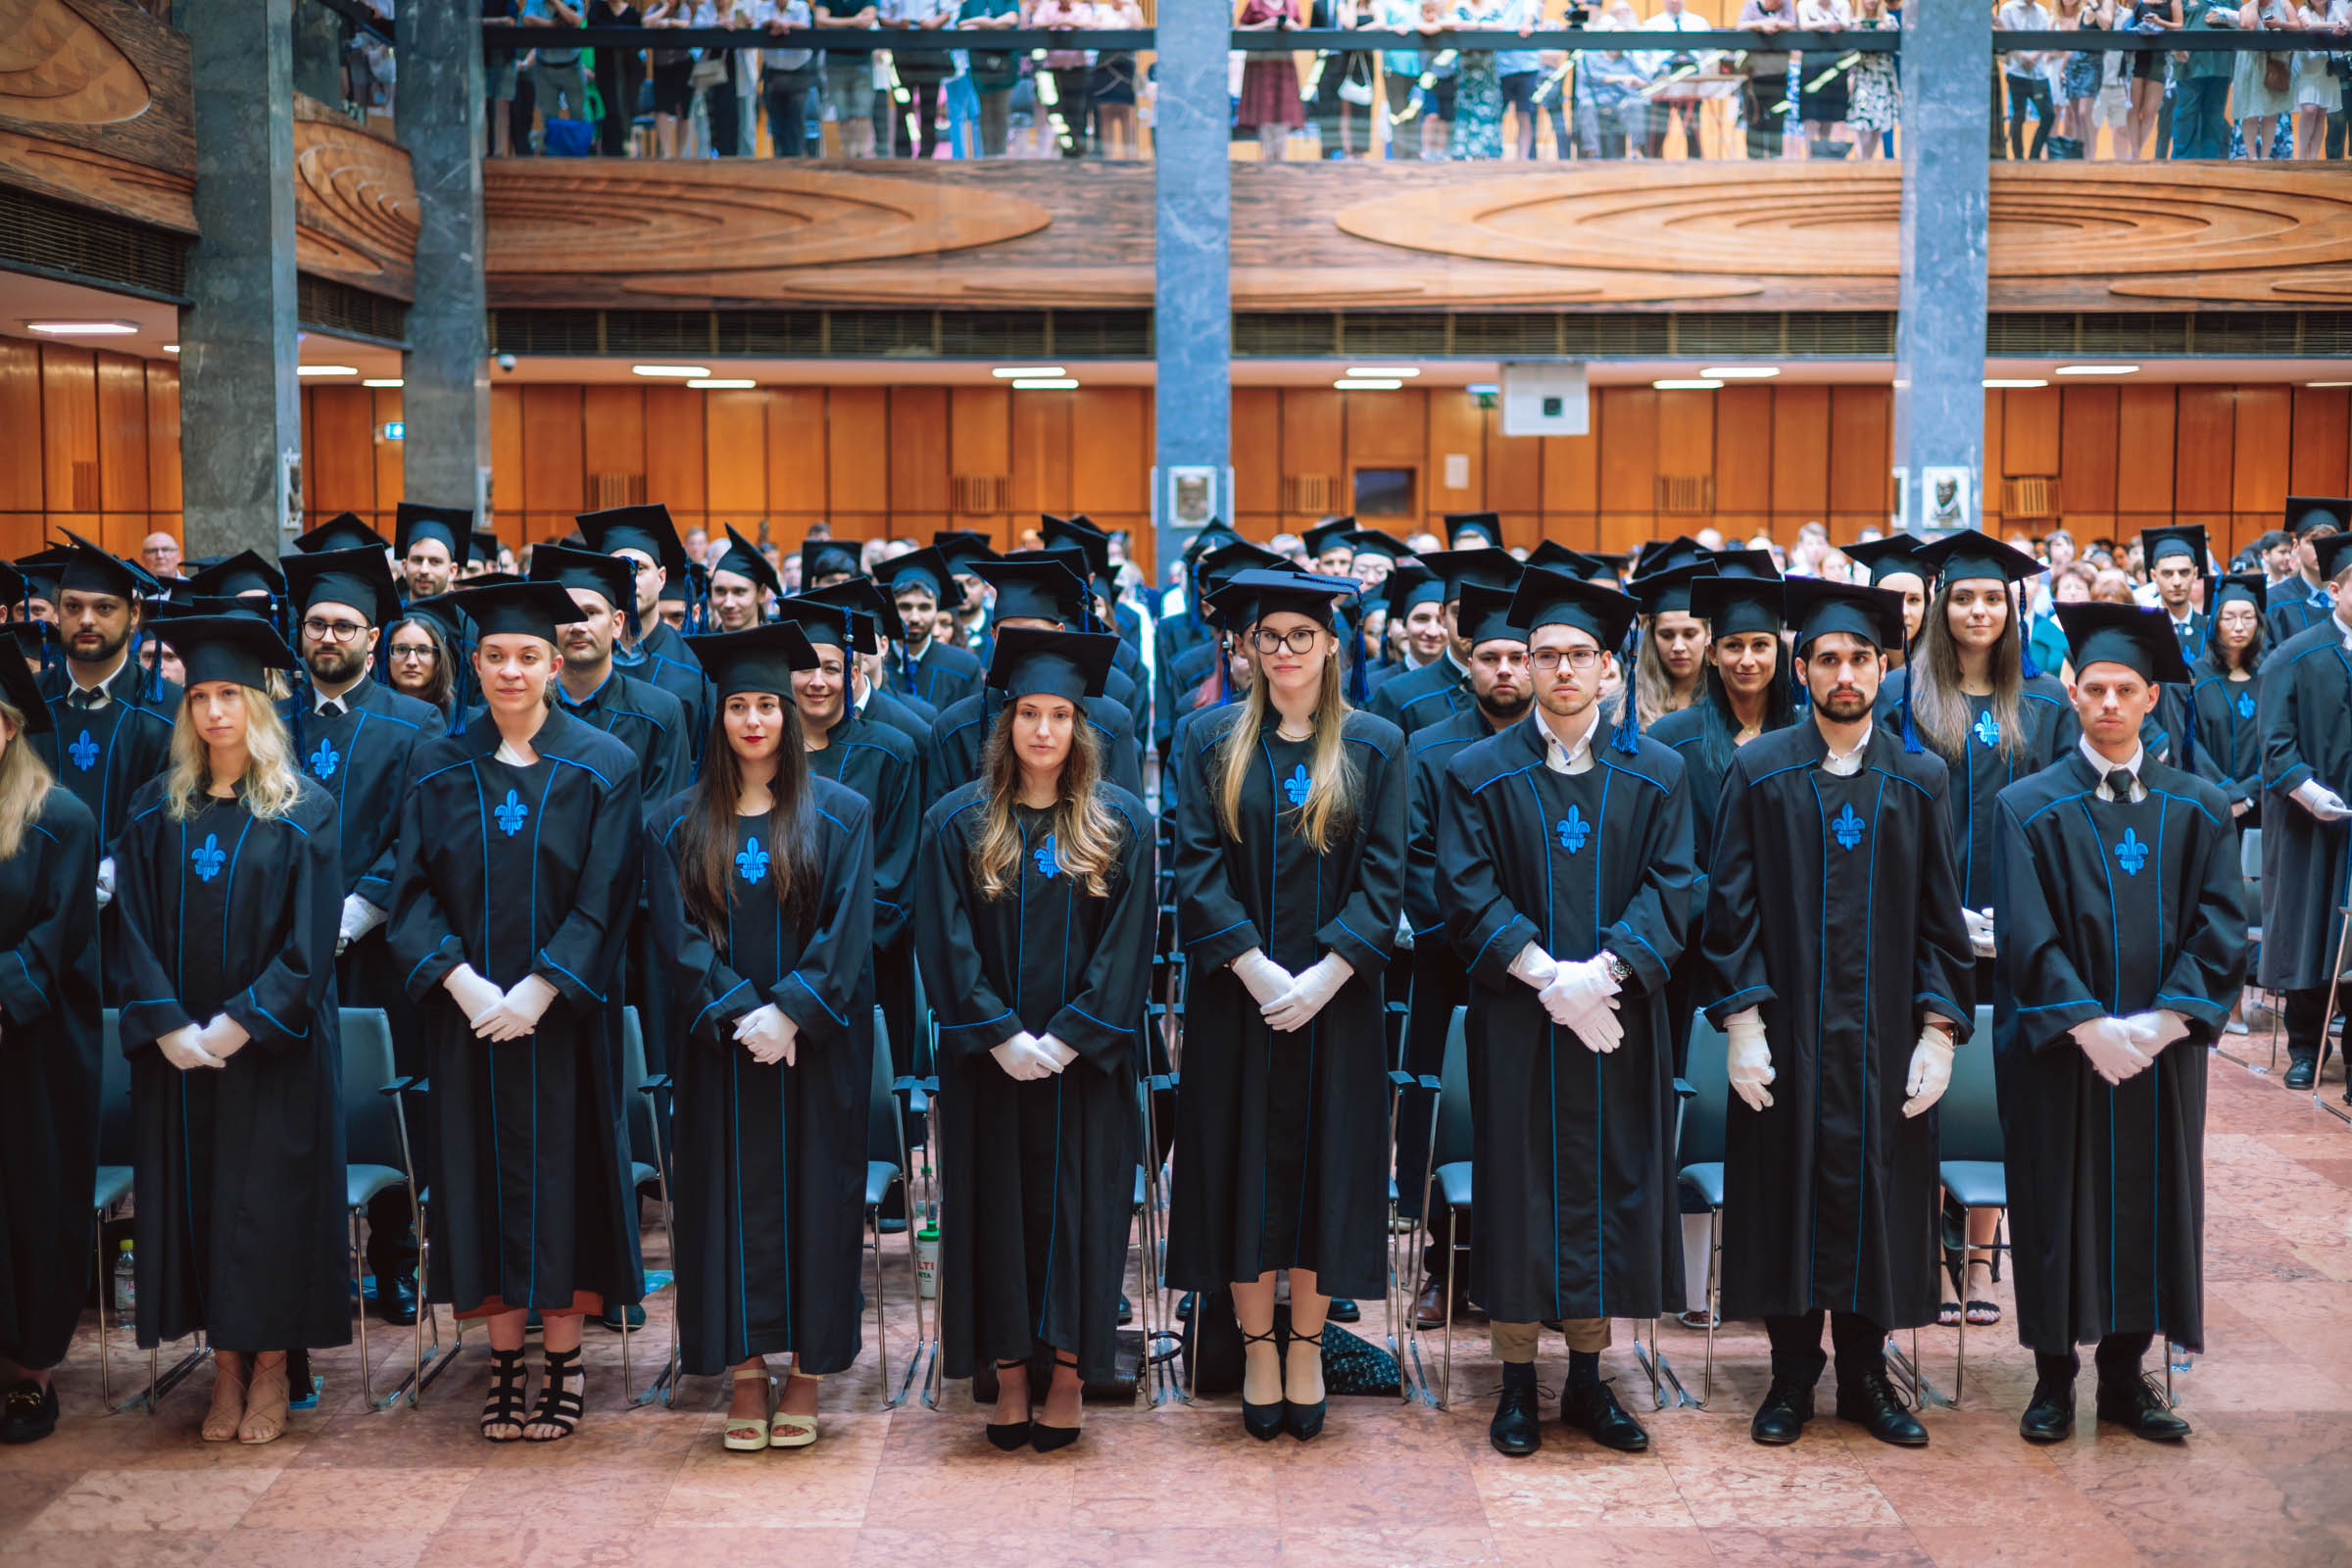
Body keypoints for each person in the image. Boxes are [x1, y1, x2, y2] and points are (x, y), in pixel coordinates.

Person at [1701, 578, 1974, 1449]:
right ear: (1803, 669)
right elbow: (1730, 908)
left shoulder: (1921, 778)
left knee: (1880, 1199)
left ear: (1884, 669)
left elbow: (1941, 919)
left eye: (1860, 658)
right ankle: (1790, 1378)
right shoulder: (1759, 771)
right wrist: (1743, 1024)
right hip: (1787, 1037)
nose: (1845, 674)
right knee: (1785, 1196)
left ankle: (1864, 1376)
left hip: (1885, 1040)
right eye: (1828, 659)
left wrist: (1938, 1032)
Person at [1437, 567, 1691, 1457]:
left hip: (1620, 1022)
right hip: (1520, 1019)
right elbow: (1465, 889)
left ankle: (1587, 1379)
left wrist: (1605, 975)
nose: (1562, 669)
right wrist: (1552, 979)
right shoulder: (1476, 772)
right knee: (1520, 1190)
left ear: (1609, 666)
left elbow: (1675, 884)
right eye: (1545, 655)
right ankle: (1516, 1384)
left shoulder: (1658, 773)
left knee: (1605, 1187)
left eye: (1580, 654)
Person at [386, 580, 647, 1443]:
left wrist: (541, 987)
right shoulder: (436, 762)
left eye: (528, 656)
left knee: (564, 1179)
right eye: (496, 656)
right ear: (475, 663)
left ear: (554, 664)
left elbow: (608, 892)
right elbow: (411, 888)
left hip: (563, 1023)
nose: (511, 671)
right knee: (478, 1181)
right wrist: (462, 983)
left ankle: (565, 1363)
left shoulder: (604, 764)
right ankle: (503, 1363)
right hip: (467, 1023)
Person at [1997, 603, 2244, 1444]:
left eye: (2125, 689)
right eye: (2095, 687)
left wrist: (2168, 1021)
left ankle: (2126, 1379)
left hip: (2161, 1053)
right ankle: (2052, 1380)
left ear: (2150, 699)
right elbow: (2026, 931)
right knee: (2054, 1202)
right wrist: (2087, 1025)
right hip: (2060, 1052)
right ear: (2073, 694)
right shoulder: (2027, 807)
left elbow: (2221, 923)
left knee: (2151, 1199)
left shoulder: (2201, 806)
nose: (2109, 702)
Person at [1167, 568, 1404, 1442]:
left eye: (1303, 636)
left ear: (1332, 646)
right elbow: (1195, 863)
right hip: (1239, 1003)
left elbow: (1386, 872)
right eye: (1270, 637)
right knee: (1236, 1168)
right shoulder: (1207, 738)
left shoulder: (1376, 744)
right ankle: (1255, 1348)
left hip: (1338, 1006)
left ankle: (1305, 1344)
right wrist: (1258, 970)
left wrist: (1326, 976)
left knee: (1324, 1173)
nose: (1286, 651)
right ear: (1247, 647)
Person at [111, 615, 348, 1446]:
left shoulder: (305, 811)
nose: (215, 712)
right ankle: (226, 1369)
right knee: (201, 1203)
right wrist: (169, 1025)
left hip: (273, 1052)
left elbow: (311, 940)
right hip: (181, 1055)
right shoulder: (155, 809)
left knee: (270, 1208)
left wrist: (241, 1024)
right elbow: (131, 926)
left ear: (260, 705)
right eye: (201, 696)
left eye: (231, 696)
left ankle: (274, 1367)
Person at [917, 628, 1149, 1450]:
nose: (1043, 729)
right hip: (989, 1068)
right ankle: (1009, 1376)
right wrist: (1001, 1035)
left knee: (1083, 1216)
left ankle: (1071, 1378)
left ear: (1080, 726)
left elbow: (1129, 944)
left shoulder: (1121, 824)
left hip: (1086, 1070)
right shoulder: (956, 822)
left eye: (1059, 714)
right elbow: (944, 941)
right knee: (994, 1213)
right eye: (1027, 713)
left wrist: (1073, 1036)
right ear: (1006, 722)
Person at [647, 621, 874, 1451]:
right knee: (720, 1206)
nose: (753, 720)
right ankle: (745, 1373)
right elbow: (676, 939)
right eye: (738, 705)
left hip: (815, 1052)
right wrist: (743, 1014)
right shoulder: (674, 824)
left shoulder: (841, 815)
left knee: (818, 1201)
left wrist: (791, 1013)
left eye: (766, 706)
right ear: (719, 716)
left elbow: (848, 930)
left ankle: (807, 1373)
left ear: (789, 712)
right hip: (721, 1054)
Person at [280, 546, 443, 1326]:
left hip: (378, 951)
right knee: (293, 1106)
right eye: (317, 624)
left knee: (386, 1104)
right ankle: (308, 1268)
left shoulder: (414, 723)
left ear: (373, 638)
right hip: (280, 953)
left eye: (345, 625)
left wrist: (350, 914)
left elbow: (416, 835)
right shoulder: (268, 718)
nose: (329, 637)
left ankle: (395, 1260)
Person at [1398, 580, 1533, 1329]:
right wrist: (1488, 938)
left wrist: (1531, 947)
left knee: (1528, 1121)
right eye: (1490, 657)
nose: (1504, 669)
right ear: (1467, 661)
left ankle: (1525, 1273)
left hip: (1537, 975)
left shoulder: (1561, 750)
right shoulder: (1428, 747)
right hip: (1451, 967)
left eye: (1517, 656)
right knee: (1447, 1117)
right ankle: (1442, 1268)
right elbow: (1415, 857)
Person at [0, 645, 100, 1446]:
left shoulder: (58, 817)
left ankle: (29, 1372)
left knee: (31, 1199)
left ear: (8, 725)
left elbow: (57, 936)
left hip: (32, 1047)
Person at [923, 558, 1145, 806]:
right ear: (993, 636)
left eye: (1035, 633)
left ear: (1060, 633)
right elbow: (941, 822)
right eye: (1010, 635)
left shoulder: (1109, 722)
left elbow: (1127, 818)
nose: (1024, 645)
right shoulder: (955, 727)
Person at [2257, 531, 2352, 1092]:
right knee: (2310, 927)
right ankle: (2305, 1047)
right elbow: (2274, 743)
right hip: (2310, 822)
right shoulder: (2294, 656)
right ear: (2334, 590)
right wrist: (2309, 792)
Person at [28, 535, 180, 865]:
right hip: (35, 888)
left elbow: (176, 818)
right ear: (57, 614)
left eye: (104, 607)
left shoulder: (172, 710)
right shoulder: (25, 703)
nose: (86, 619)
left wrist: (118, 867)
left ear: (134, 613)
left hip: (133, 891)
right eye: (73, 607)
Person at [529, 544, 694, 805]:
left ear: (617, 623)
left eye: (591, 613)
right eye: (566, 613)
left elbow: (664, 813)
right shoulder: (527, 712)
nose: (578, 626)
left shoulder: (659, 714)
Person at [577, 504, 713, 749]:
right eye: (618, 569)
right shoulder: (580, 658)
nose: (629, 581)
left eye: (639, 569)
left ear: (661, 578)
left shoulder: (695, 665)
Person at [1367, 548, 1524, 739]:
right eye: (1459, 613)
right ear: (1442, 615)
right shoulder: (1399, 696)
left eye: (1486, 615)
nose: (1470, 626)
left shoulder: (1523, 694)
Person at [2188, 572, 2267, 832]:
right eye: (2229, 617)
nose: (2239, 626)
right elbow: (2188, 743)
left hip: (2262, 806)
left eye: (2248, 617)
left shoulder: (2270, 675)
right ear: (2215, 623)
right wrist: (2226, 793)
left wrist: (2250, 794)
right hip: (2208, 805)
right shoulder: (2194, 677)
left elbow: (2280, 739)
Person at [881, 548, 984, 710]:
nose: (914, 618)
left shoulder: (964, 666)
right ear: (892, 609)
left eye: (924, 607)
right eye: (905, 607)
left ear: (937, 610)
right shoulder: (875, 665)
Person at [2267, 497, 2347, 642]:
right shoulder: (2274, 601)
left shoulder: (2348, 599)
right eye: (2312, 541)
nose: (2322, 549)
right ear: (2296, 546)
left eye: (2330, 540)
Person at [1237, 0, 1305, 161]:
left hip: (1283, 64)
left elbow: (1302, 32)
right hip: (1259, 66)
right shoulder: (1254, 4)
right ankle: (1267, 157)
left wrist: (1289, 25)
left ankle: (1281, 158)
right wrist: (1264, 25)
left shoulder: (1291, 4)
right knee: (1264, 109)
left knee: (1284, 109)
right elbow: (1240, 29)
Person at [2141, 524, 2209, 660]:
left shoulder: (2211, 629)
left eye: (2184, 572)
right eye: (2167, 573)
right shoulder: (2142, 630)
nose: (2177, 582)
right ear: (2154, 576)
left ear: (2195, 573)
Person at [395, 502, 474, 604]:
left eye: (435, 561)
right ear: (404, 567)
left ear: (452, 571)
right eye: (417, 560)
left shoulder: (466, 614)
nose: (424, 570)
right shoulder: (390, 613)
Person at [384, 612, 457, 719]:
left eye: (423, 651)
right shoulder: (371, 712)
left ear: (438, 659)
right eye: (402, 649)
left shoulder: (462, 720)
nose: (412, 662)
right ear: (388, 657)